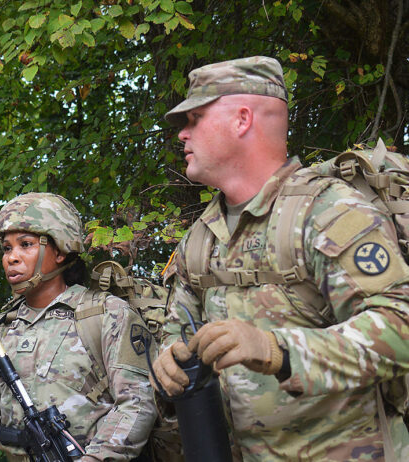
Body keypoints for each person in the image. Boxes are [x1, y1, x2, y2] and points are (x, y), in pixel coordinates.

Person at [151, 56, 409, 460]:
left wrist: (278, 349)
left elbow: (401, 326)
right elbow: (179, 336)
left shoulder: (328, 212)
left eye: (195, 118)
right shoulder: (201, 239)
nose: (182, 134)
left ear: (241, 119)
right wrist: (167, 361)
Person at [0, 192, 157, 461]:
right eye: (7, 248)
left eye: (26, 244)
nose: (12, 257)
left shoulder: (104, 315)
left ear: (61, 250)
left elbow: (139, 404)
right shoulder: (1, 332)